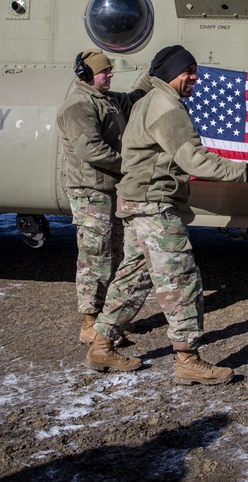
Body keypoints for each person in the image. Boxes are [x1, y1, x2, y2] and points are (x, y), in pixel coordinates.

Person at [83, 45, 248, 382]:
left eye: (195, 71)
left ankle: (101, 345)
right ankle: (188, 360)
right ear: (170, 74)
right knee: (182, 279)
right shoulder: (166, 106)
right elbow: (195, 160)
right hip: (153, 205)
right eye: (188, 71)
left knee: (134, 276)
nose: (194, 78)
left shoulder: (148, 102)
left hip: (136, 203)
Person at [56, 48, 151, 346]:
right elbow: (90, 150)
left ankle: (107, 319)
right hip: (91, 193)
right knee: (95, 257)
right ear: (87, 75)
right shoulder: (78, 106)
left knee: (114, 254)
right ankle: (89, 322)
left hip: (110, 191)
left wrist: (156, 71)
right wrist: (130, 164)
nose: (110, 74)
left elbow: (135, 97)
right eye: (105, 71)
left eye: (110, 70)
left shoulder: (107, 100)